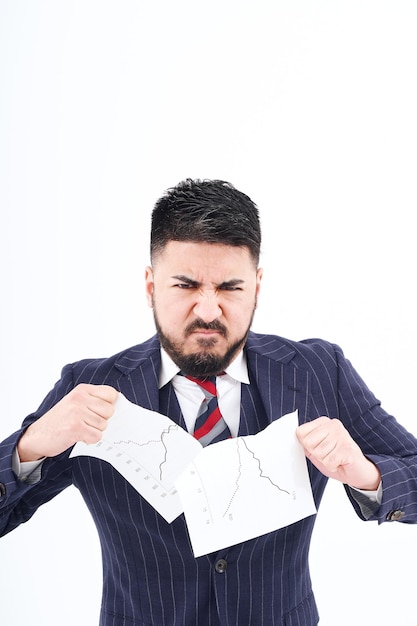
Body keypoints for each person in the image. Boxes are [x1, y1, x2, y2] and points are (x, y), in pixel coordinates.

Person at [1, 178, 417, 626]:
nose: (207, 310)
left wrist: (365, 474)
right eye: (185, 285)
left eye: (230, 288)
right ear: (150, 285)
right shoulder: (88, 385)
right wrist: (32, 445)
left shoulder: (318, 370)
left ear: (257, 287)